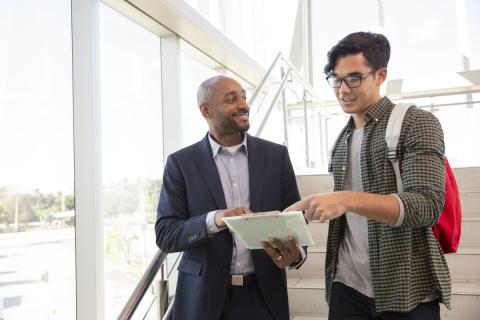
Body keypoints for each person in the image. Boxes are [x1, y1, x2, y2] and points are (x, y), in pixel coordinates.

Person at [286, 32, 451, 319]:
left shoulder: (416, 122)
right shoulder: (341, 139)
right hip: (346, 287)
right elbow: (343, 210)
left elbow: (426, 206)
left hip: (405, 291)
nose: (342, 89)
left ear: (380, 75)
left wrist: (347, 199)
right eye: (336, 79)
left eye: (353, 78)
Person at [155, 75, 305, 320]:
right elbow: (166, 234)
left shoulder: (276, 156)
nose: (243, 104)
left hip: (264, 296)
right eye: (231, 99)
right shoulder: (180, 163)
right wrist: (215, 219)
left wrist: (297, 254)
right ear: (206, 110)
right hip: (201, 300)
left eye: (244, 97)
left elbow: (297, 218)